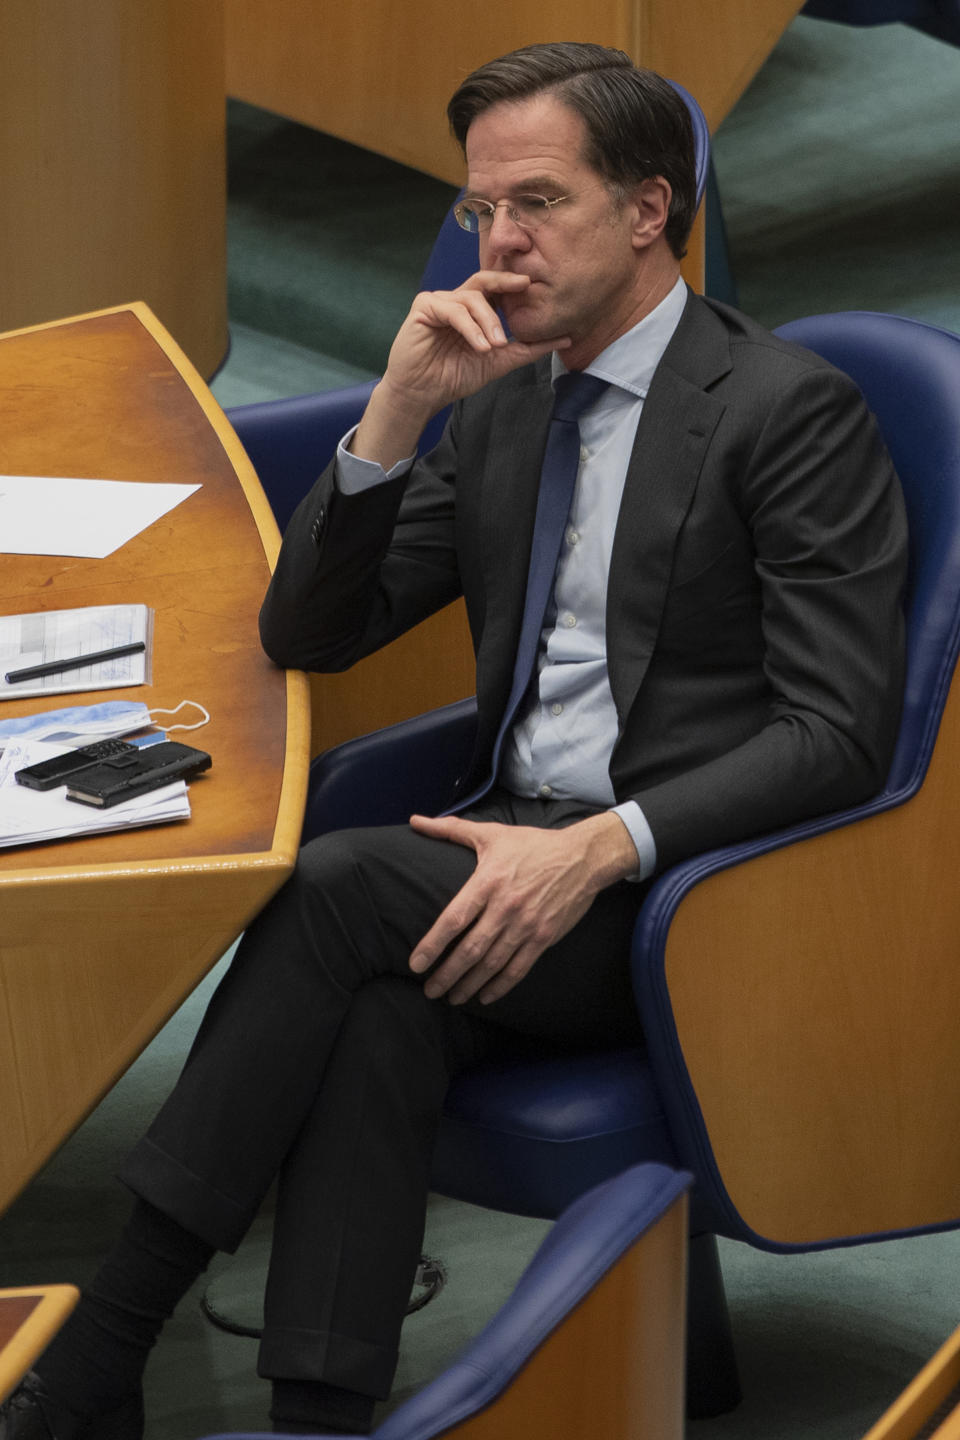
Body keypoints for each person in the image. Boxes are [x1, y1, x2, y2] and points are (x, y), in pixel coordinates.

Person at [1, 39, 907, 1440]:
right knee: (377, 1012)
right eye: (483, 210)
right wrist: (400, 409)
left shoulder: (788, 414)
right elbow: (311, 630)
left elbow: (840, 733)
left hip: (689, 885)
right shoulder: (510, 406)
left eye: (537, 203)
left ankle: (115, 1328)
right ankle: (321, 1411)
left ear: (650, 209)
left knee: (338, 886)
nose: (500, 244)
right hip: (509, 844)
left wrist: (600, 850)